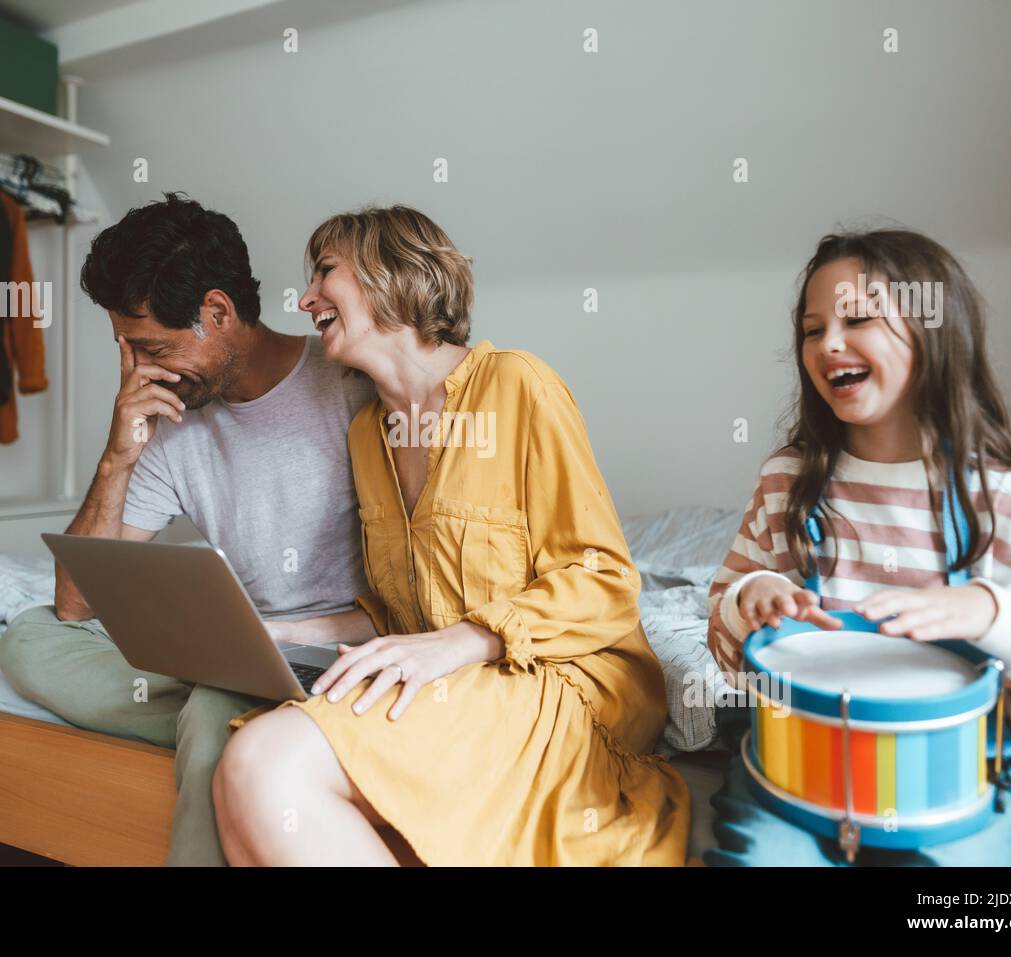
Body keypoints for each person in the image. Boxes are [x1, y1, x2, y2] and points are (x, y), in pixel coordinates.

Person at [211, 205, 691, 865]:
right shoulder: (369, 435)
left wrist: (460, 643)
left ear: (391, 274)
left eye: (325, 271)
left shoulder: (519, 386)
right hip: (465, 685)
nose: (305, 298)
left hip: (565, 681)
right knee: (255, 809)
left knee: (263, 762)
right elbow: (398, 611)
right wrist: (287, 632)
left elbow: (604, 582)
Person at [0, 193, 374, 866]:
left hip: (342, 656)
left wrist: (278, 643)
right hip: (239, 655)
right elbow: (74, 605)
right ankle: (232, 704)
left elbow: (413, 593)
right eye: (130, 353)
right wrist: (119, 454)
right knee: (28, 636)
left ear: (217, 312)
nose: (143, 371)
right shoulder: (171, 422)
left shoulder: (347, 384)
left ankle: (223, 712)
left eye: (154, 348)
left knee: (208, 707)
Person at [703, 229, 1011, 866]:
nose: (829, 343)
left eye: (857, 318)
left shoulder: (1006, 505)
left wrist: (997, 615)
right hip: (803, 765)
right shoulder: (787, 484)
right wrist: (750, 600)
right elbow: (723, 626)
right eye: (811, 328)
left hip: (964, 778)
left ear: (935, 334)